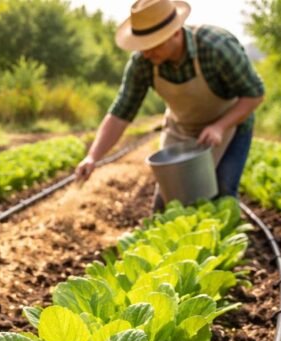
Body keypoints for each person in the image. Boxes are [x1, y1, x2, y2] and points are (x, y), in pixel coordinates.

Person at [75, 0, 265, 208]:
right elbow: (121, 112)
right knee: (168, 202)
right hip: (181, 129)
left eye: (152, 44)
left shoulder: (216, 47)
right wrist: (92, 157)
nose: (146, 53)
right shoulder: (143, 63)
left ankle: (223, 238)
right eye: (142, 46)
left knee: (222, 192)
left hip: (230, 126)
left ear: (175, 33)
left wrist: (219, 126)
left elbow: (254, 94)